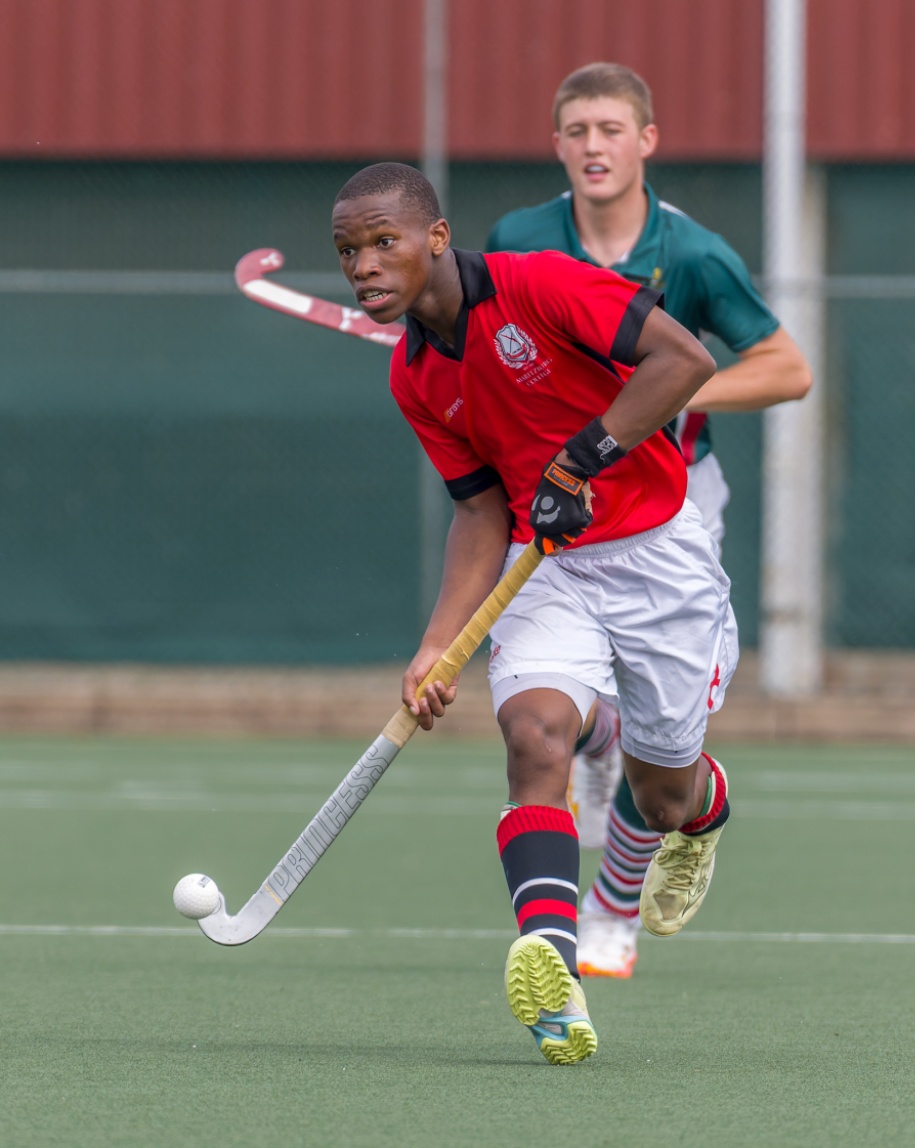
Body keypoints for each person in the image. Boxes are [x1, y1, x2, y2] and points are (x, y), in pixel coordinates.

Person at [331, 161, 737, 1064]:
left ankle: (703, 809)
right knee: (534, 734)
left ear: (437, 238)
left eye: (384, 242)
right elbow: (481, 512)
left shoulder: (541, 284)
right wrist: (436, 646)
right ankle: (555, 974)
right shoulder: (414, 376)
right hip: (545, 566)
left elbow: (686, 361)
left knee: (660, 797)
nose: (363, 266)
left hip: (659, 557)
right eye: (348, 251)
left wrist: (577, 461)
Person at [486, 62, 812, 977]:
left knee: (662, 751)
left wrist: (660, 399)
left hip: (673, 506)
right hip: (563, 500)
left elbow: (788, 369)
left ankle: (616, 906)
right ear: (557, 144)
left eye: (611, 130)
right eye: (578, 131)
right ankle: (594, 758)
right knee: (547, 708)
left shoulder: (693, 253)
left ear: (646, 142)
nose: (594, 146)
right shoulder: (519, 240)